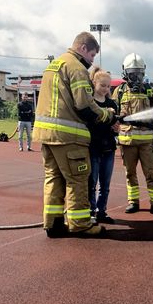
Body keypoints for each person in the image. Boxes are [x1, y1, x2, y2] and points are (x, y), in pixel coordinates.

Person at [32, 32, 114, 238]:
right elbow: (84, 105)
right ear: (83, 48)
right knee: (77, 179)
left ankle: (53, 223)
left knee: (53, 178)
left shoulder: (55, 64)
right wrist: (107, 115)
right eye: (93, 55)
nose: (92, 60)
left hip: (46, 135)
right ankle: (80, 224)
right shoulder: (76, 68)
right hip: (68, 136)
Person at [112, 52, 153, 215]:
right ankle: (133, 202)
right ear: (125, 73)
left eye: (139, 73)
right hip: (127, 141)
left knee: (151, 173)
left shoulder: (150, 92)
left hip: (146, 142)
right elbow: (113, 115)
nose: (136, 77)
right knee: (130, 174)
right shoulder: (119, 92)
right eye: (132, 73)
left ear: (144, 72)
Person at [88, 68, 119, 224]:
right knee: (91, 183)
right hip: (93, 148)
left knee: (105, 185)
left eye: (108, 86)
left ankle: (102, 211)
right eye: (103, 85)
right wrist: (104, 113)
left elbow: (116, 127)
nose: (106, 89)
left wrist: (116, 126)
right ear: (94, 83)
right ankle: (91, 212)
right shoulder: (89, 103)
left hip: (108, 148)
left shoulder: (112, 103)